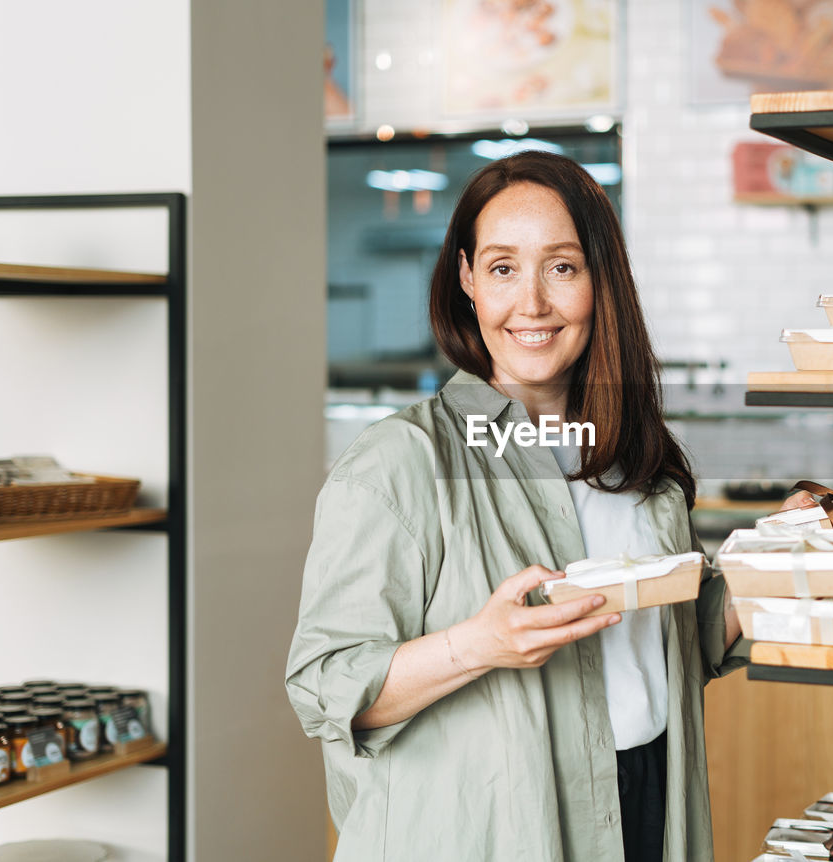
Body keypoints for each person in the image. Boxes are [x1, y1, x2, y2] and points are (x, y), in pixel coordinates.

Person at [287, 151, 795, 861]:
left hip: (648, 802)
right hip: (488, 832)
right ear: (467, 279)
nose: (531, 304)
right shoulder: (401, 462)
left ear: (599, 281)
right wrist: (481, 645)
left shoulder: (635, 458)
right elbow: (324, 687)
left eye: (561, 267)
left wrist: (772, 553)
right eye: (502, 269)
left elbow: (673, 643)